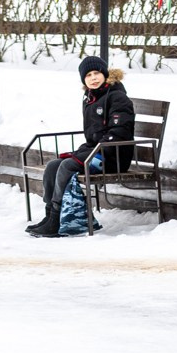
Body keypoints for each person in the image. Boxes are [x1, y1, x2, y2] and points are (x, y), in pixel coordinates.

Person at [28, 55, 136, 238]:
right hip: (97, 151)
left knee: (67, 166)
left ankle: (56, 219)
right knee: (53, 165)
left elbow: (120, 132)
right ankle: (50, 215)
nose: (93, 78)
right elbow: (93, 134)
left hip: (112, 156)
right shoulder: (91, 98)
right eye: (88, 76)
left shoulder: (117, 98)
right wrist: (86, 150)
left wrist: (92, 151)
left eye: (97, 73)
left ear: (105, 74)